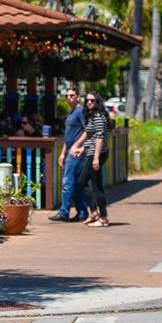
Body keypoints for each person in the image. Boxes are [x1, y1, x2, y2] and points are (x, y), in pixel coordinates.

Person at [70, 91, 111, 227]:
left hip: (96, 154)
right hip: (91, 152)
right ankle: (94, 213)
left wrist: (96, 159)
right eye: (87, 100)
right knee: (83, 182)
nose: (89, 103)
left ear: (97, 102)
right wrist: (80, 147)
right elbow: (89, 135)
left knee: (94, 185)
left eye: (92, 100)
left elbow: (99, 138)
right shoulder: (93, 116)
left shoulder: (98, 117)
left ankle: (103, 217)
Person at [50, 86, 89, 223]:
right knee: (77, 184)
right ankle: (83, 212)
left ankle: (64, 212)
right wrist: (62, 153)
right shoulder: (71, 113)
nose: (69, 98)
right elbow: (68, 136)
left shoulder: (80, 111)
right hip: (69, 152)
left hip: (76, 153)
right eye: (67, 96)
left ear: (78, 97)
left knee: (67, 182)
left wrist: (77, 146)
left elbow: (87, 131)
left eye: (72, 95)